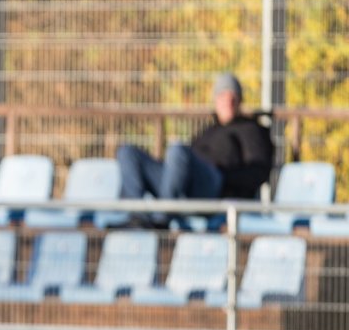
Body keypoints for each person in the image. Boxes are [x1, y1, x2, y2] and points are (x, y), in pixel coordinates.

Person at [116, 72, 275, 229]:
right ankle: (136, 217)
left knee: (177, 149)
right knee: (127, 152)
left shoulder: (251, 129)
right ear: (215, 100)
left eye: (232, 97)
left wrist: (225, 177)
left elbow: (258, 172)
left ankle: (162, 219)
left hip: (214, 187)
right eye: (222, 97)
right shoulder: (207, 131)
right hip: (183, 186)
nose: (227, 102)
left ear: (240, 101)